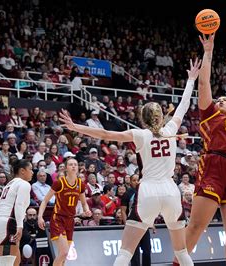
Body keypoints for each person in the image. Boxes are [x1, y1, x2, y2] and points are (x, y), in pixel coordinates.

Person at [59, 58, 201, 266]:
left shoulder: (140, 134)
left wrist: (76, 127)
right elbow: (183, 106)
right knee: (182, 253)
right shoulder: (171, 130)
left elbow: (105, 133)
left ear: (143, 118)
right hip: (171, 191)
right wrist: (190, 80)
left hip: (148, 191)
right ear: (161, 116)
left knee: (125, 253)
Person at [182, 34, 226, 266]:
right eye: (218, 99)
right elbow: (204, 84)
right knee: (195, 227)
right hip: (214, 166)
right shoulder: (209, 114)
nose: (220, 100)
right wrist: (209, 52)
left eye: (224, 99)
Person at [37, 158, 92, 266]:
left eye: (75, 164)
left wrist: (87, 211)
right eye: (71, 164)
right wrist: (40, 217)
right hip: (58, 218)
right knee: (64, 252)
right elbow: (45, 201)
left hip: (70, 220)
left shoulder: (80, 184)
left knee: (63, 256)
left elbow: (84, 203)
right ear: (66, 168)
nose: (73, 166)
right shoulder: (59, 183)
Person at [0, 159, 33, 266]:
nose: (33, 172)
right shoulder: (24, 184)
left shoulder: (9, 184)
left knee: (15, 260)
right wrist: (20, 226)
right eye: (30, 169)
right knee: (7, 264)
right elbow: (18, 205)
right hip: (8, 224)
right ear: (22, 171)